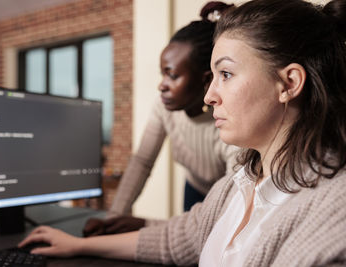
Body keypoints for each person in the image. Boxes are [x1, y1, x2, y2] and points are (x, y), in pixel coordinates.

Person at [19, 0, 346, 265]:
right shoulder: (240, 181)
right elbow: (183, 235)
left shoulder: (332, 216)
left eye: (227, 74)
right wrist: (82, 243)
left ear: (289, 83)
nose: (210, 96)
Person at [82, 1, 237, 237]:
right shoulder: (163, 106)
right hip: (195, 188)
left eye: (172, 75)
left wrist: (145, 225)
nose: (161, 85)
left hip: (229, 191)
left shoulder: (231, 119)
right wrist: (113, 220)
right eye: (162, 73)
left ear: (206, 80)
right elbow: (142, 161)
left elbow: (230, 204)